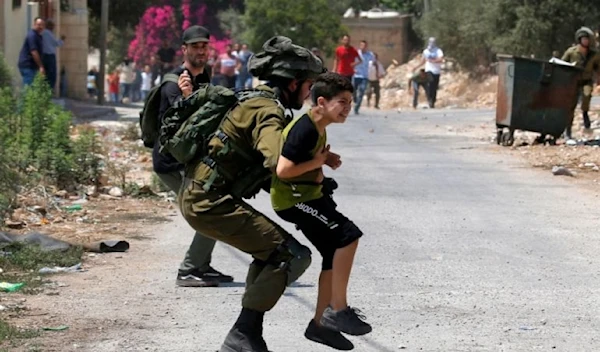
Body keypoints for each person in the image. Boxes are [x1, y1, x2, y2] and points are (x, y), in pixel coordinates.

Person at [177, 35, 324, 352]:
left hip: (202, 195)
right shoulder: (268, 111)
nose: (311, 92)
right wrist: (316, 168)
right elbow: (277, 162)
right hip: (208, 201)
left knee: (270, 252)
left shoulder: (255, 99)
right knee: (291, 255)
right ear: (293, 82)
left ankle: (247, 335)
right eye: (309, 84)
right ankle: (243, 334)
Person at [271, 72, 372, 351]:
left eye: (350, 102)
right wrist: (316, 162)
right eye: (343, 102)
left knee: (333, 252)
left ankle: (320, 326)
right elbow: (284, 170)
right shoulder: (305, 127)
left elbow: (303, 162)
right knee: (348, 236)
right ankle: (337, 309)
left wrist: (323, 161)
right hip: (293, 200)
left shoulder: (318, 125)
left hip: (308, 195)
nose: (348, 108)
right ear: (322, 101)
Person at [152, 25, 233, 288]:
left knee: (215, 205)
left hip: (190, 160)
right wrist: (188, 98)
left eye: (204, 46)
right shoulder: (174, 84)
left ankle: (201, 266)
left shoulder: (203, 78)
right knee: (208, 210)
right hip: (171, 163)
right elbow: (180, 125)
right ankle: (188, 270)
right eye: (195, 46)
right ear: (184, 49)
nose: (201, 50)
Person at [561, 27, 600, 138]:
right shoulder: (571, 52)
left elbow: (598, 68)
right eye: (583, 39)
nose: (586, 41)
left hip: (586, 80)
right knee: (571, 105)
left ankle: (585, 113)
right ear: (579, 40)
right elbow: (561, 64)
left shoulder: (594, 54)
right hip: (573, 82)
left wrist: (598, 80)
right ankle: (567, 131)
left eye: (587, 39)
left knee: (587, 95)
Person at [413, 37, 444, 108]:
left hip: (436, 71)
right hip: (429, 70)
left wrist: (433, 61)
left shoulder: (438, 51)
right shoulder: (426, 51)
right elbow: (423, 61)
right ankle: (429, 99)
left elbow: (441, 59)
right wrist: (416, 67)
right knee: (429, 85)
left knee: (434, 87)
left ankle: (432, 101)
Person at [18, 17, 45, 86]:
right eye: (39, 25)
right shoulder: (32, 35)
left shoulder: (38, 36)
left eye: (42, 25)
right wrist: (41, 66)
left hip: (32, 66)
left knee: (32, 89)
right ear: (34, 24)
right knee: (28, 90)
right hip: (28, 65)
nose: (40, 27)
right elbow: (34, 52)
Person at [41, 19, 64, 91]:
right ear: (50, 26)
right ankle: (48, 91)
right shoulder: (48, 33)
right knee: (52, 75)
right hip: (50, 56)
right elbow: (56, 43)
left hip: (44, 55)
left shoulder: (43, 33)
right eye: (53, 26)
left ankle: (44, 90)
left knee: (45, 75)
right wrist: (62, 39)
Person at [352, 40, 374, 114]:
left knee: (362, 91)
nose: (363, 47)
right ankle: (355, 100)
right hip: (356, 75)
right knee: (353, 90)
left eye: (364, 46)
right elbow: (351, 62)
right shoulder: (356, 53)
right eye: (362, 45)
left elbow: (373, 64)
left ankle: (357, 107)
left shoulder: (370, 55)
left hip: (364, 76)